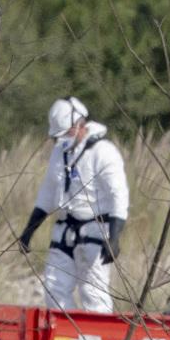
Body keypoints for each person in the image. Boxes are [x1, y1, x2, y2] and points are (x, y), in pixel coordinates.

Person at [19, 98, 130, 313]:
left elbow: (119, 196)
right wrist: (28, 231)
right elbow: (48, 193)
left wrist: (114, 237)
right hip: (64, 229)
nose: (61, 140)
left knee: (93, 292)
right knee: (53, 288)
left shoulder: (103, 152)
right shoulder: (60, 153)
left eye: (65, 134)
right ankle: (63, 339)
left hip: (95, 231)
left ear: (78, 125)